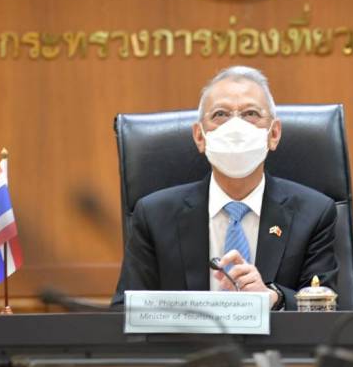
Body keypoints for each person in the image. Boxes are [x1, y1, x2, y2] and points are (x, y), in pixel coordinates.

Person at [111, 66, 338, 310]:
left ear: (274, 134)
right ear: (200, 136)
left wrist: (274, 297)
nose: (236, 127)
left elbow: (327, 310)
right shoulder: (154, 216)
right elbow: (125, 310)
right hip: (186, 336)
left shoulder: (314, 214)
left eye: (251, 113)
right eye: (220, 114)